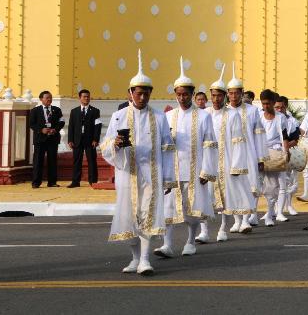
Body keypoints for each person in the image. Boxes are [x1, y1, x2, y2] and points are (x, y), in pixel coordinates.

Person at [101, 50, 176, 275]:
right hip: (127, 174)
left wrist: (168, 178)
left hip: (151, 174)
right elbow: (105, 146)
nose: (142, 97)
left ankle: (145, 259)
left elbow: (167, 149)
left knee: (148, 215)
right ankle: (134, 257)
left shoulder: (160, 118)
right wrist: (116, 142)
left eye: (146, 94)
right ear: (130, 93)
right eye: (139, 93)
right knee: (129, 217)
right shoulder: (119, 116)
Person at [155, 58, 218, 258]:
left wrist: (206, 170)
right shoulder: (168, 116)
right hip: (172, 170)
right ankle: (167, 244)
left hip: (194, 168)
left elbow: (210, 143)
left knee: (192, 208)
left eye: (185, 94)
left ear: (192, 94)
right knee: (169, 208)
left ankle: (191, 241)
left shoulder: (203, 116)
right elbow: (163, 146)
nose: (182, 98)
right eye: (179, 94)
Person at [198, 66, 252, 243]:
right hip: (206, 161)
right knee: (204, 197)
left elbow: (238, 142)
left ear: (225, 96)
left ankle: (222, 229)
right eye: (213, 95)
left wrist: (236, 165)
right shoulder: (204, 114)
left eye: (219, 95)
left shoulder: (233, 116)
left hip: (226, 161)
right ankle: (204, 231)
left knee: (224, 197)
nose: (216, 99)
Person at [226, 63, 265, 232]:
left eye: (237, 93)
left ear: (242, 93)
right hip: (230, 154)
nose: (234, 96)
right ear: (228, 94)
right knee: (233, 187)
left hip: (249, 153)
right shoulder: (223, 112)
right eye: (231, 93)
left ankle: (246, 219)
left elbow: (259, 134)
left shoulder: (252, 111)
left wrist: (260, 157)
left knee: (249, 186)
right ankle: (236, 220)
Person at [257, 89, 286, 226]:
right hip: (259, 152)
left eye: (268, 103)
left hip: (275, 153)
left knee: (273, 186)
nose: (266, 106)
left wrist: (285, 153)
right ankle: (251, 215)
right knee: (256, 184)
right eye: (263, 104)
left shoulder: (281, 118)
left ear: (274, 103)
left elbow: (284, 137)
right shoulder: (258, 117)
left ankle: (269, 214)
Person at [29, 91, 64, 188]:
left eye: (50, 97)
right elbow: (31, 124)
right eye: (47, 97)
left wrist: (55, 130)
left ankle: (52, 182)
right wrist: (41, 130)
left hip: (53, 139)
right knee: (38, 161)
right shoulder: (35, 110)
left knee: (52, 161)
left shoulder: (57, 110)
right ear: (41, 99)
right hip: (40, 140)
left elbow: (61, 122)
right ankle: (36, 182)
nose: (49, 99)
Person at [67, 89, 102, 188]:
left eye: (88, 96)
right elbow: (71, 126)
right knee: (76, 161)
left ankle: (93, 181)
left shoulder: (95, 111)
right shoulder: (74, 111)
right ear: (80, 98)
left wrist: (96, 139)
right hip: (77, 140)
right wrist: (70, 140)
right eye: (84, 96)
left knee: (92, 160)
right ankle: (75, 181)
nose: (86, 98)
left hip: (90, 141)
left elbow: (97, 126)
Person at [274, 95, 300, 218]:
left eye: (282, 107)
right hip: (273, 155)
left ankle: (289, 205)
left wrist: (284, 147)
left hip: (288, 153)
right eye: (277, 107)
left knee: (290, 182)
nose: (279, 110)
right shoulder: (268, 119)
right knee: (273, 183)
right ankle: (274, 208)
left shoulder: (292, 121)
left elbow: (295, 139)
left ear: (286, 107)